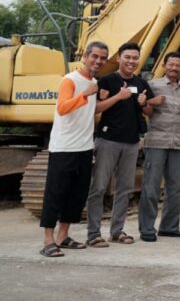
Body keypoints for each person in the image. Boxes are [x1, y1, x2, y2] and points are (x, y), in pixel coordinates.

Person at [39, 41, 109, 258]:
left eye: (102, 58)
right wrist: (87, 94)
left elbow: (88, 112)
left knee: (76, 195)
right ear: (85, 56)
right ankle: (48, 240)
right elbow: (62, 108)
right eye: (94, 56)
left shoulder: (94, 82)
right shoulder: (70, 80)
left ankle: (63, 236)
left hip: (85, 147)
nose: (98, 61)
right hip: (64, 147)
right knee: (56, 193)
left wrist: (105, 99)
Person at [86, 42, 154, 247]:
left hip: (132, 143)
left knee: (125, 188)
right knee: (98, 187)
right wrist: (118, 96)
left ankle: (117, 231)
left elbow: (149, 112)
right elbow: (95, 108)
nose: (131, 61)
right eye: (127, 57)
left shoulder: (142, 84)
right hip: (107, 140)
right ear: (119, 58)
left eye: (135, 58)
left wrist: (144, 103)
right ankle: (93, 234)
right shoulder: (106, 81)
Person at [139, 52, 180, 241]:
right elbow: (145, 109)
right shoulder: (153, 85)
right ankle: (147, 228)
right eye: (170, 65)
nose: (174, 68)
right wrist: (150, 102)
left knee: (176, 187)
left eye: (177, 65)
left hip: (179, 142)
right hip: (156, 141)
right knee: (151, 186)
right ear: (164, 66)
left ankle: (169, 227)